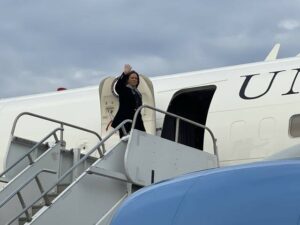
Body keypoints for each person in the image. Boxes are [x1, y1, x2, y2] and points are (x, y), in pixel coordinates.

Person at [111, 64, 146, 138]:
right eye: (132, 78)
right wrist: (125, 73)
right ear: (127, 79)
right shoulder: (124, 89)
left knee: (142, 138)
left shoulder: (137, 92)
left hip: (137, 120)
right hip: (126, 120)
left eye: (136, 78)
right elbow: (118, 86)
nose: (134, 79)